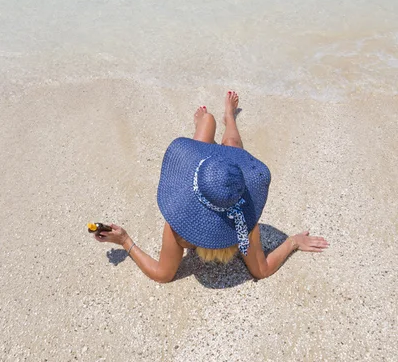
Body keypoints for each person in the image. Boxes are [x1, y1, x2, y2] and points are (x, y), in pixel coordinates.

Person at [93, 91, 329, 283]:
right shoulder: (243, 223)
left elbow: (163, 274)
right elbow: (261, 269)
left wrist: (125, 241)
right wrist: (292, 242)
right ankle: (228, 118)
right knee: (232, 143)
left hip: (204, 170)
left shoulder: (180, 223)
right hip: (218, 173)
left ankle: (214, 122)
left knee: (211, 125)